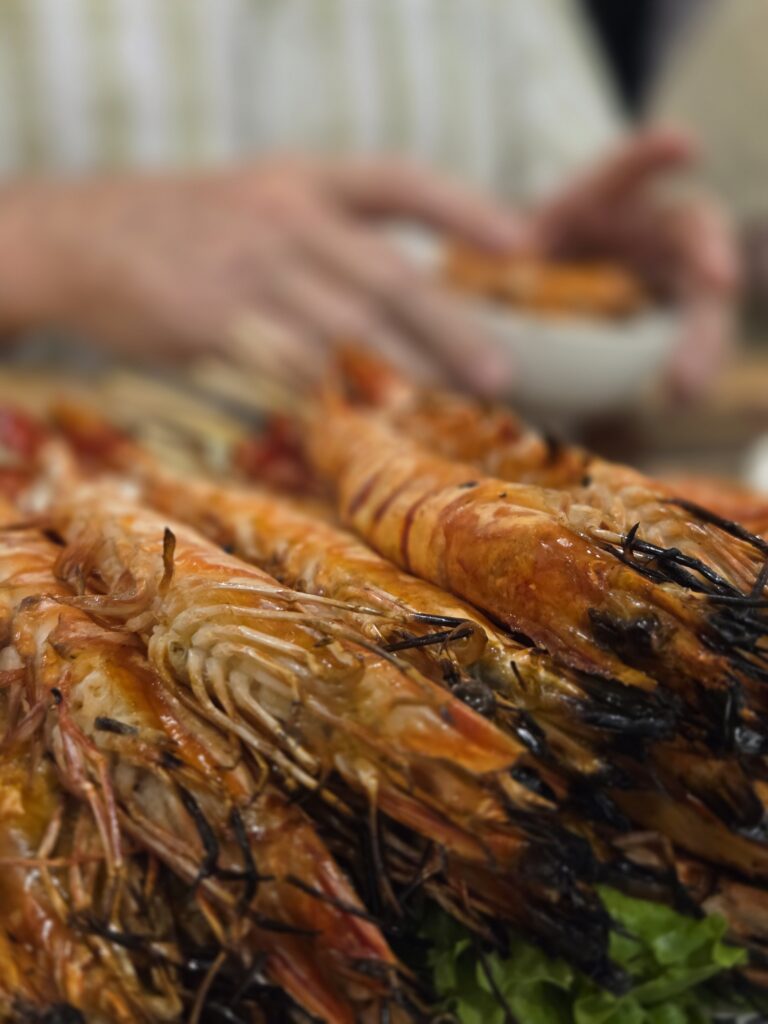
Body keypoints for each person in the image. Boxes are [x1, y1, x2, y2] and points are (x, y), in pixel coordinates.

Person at [0, 0, 737, 398]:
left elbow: (557, 200)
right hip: (55, 523)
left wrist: (583, 275)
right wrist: (44, 241)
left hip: (465, 510)